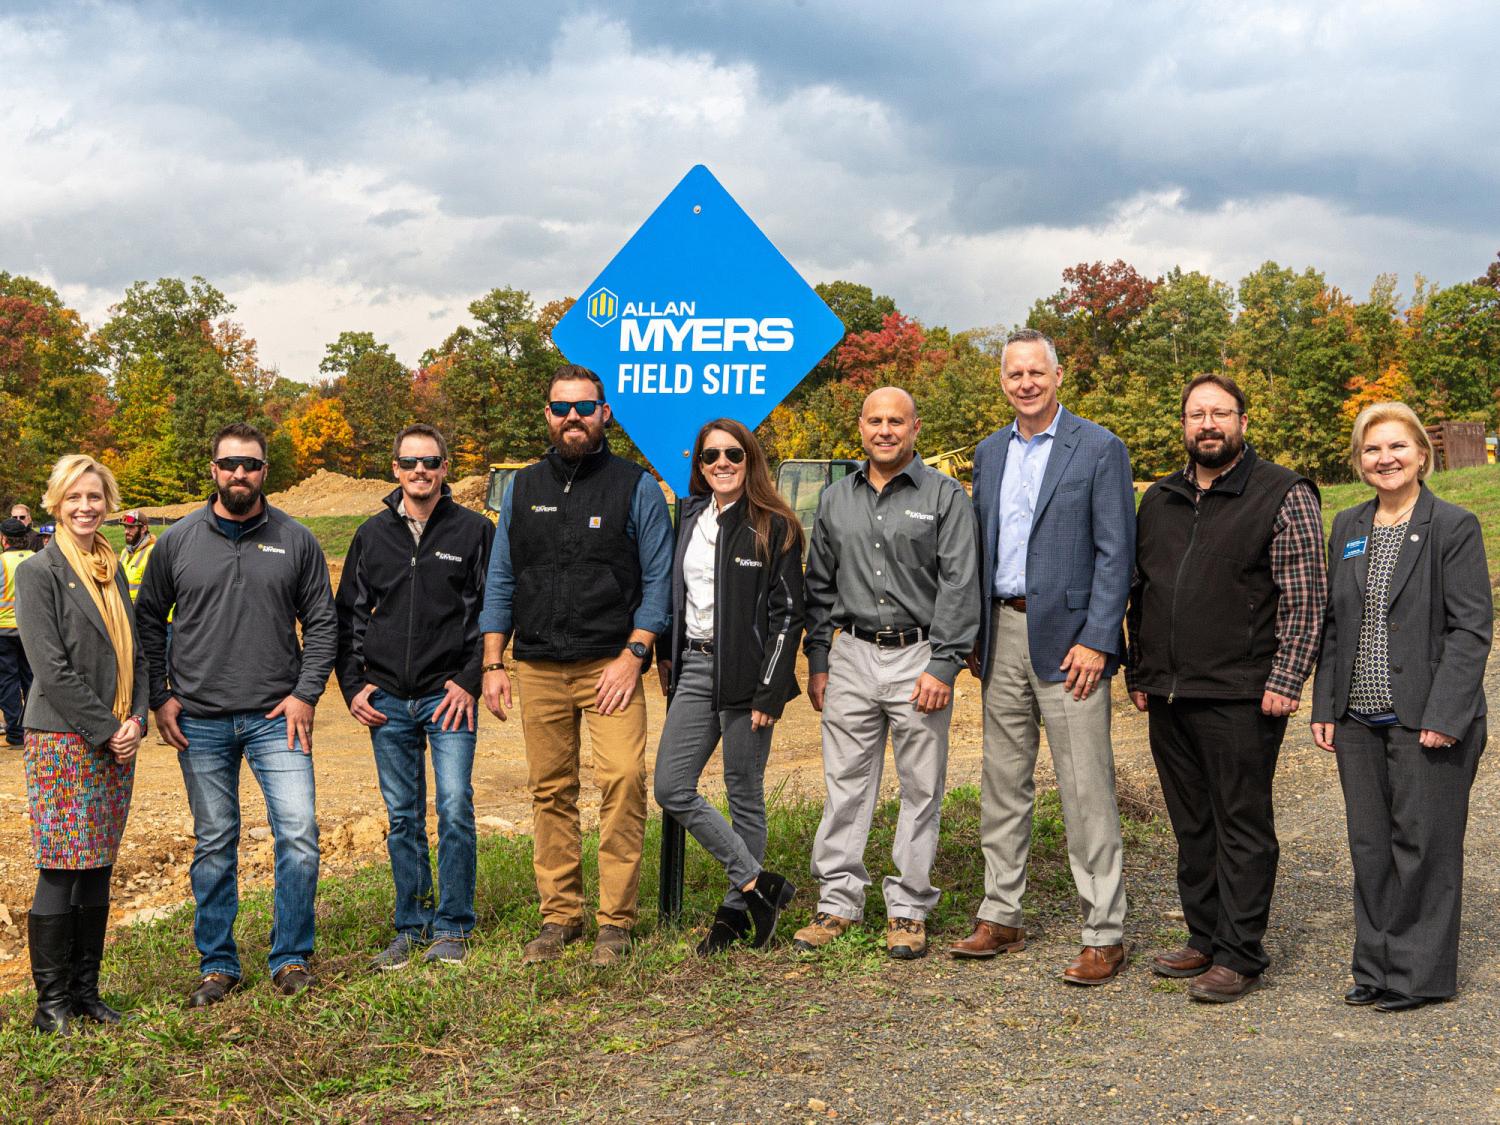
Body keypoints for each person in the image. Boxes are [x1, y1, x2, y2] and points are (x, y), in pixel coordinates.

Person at [1126, 374, 1327, 1003]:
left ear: (1242, 420)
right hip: (1168, 693)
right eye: (1196, 414)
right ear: (1183, 424)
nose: (1207, 424)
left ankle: (1241, 953)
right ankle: (1204, 936)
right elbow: (1142, 591)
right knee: (1192, 823)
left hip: (1244, 692)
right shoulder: (1159, 498)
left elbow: (1305, 595)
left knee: (1241, 822)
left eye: (1220, 413)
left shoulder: (1282, 492)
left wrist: (1287, 677)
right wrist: (1140, 671)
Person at [950, 329, 1136, 985]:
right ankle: (1001, 912)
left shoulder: (1099, 447)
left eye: (1036, 371)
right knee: (1002, 783)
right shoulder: (990, 452)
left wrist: (1100, 636)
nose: (1025, 382)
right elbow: (980, 542)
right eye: (1013, 374)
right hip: (1001, 632)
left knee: (1086, 789)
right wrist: (974, 628)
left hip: (1072, 642)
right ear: (1002, 381)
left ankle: (1103, 931)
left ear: (1058, 376)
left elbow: (1117, 552)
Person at [136, 423, 337, 1006]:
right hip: (197, 718)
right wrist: (160, 695)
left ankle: (291, 955)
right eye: (229, 464)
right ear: (214, 470)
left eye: (250, 464)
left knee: (298, 834)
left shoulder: (295, 539)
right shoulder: (177, 541)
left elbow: (322, 623)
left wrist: (305, 694)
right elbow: (148, 620)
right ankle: (217, 965)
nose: (239, 474)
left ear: (265, 471)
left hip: (278, 715)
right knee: (215, 841)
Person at [480, 365, 673, 967]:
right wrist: (493, 660)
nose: (573, 418)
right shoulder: (523, 487)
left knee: (622, 781)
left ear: (605, 414)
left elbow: (659, 581)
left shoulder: (635, 487)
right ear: (547, 414)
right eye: (562, 407)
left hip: (609, 666)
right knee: (551, 791)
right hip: (537, 665)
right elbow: (503, 578)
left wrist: (634, 653)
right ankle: (560, 916)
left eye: (585, 408)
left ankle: (615, 922)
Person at [1311, 403, 1490, 1012]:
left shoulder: (1453, 525)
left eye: (1396, 447)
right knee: (1370, 845)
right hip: (1359, 718)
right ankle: (1377, 967)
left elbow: (1470, 630)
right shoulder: (1349, 525)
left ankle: (1420, 975)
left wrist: (1447, 714)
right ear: (1359, 461)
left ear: (1421, 453)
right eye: (1371, 449)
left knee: (1425, 845)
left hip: (1427, 719)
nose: (1384, 459)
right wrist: (1326, 704)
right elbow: (1335, 624)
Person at [793, 387, 981, 960]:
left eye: (895, 421)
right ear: (861, 427)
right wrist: (820, 658)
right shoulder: (833, 500)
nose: (884, 430)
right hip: (851, 655)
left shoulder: (945, 497)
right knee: (845, 782)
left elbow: (959, 583)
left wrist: (944, 663)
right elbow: (818, 585)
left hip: (919, 656)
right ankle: (838, 901)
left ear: (915, 427)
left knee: (921, 787)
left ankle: (909, 909)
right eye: (874, 420)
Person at [336, 424, 495, 969]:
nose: (420, 471)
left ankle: (452, 926)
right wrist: (354, 686)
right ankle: (411, 925)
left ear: (446, 468)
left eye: (430, 462)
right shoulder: (371, 534)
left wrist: (470, 678)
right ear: (395, 470)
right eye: (410, 462)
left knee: (453, 808)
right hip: (388, 703)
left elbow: (492, 614)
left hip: (448, 696)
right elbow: (348, 616)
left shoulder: (475, 532)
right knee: (403, 816)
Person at [654, 418, 805, 956]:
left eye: (733, 455)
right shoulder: (692, 516)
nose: (721, 463)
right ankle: (759, 884)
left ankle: (733, 915)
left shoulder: (774, 524)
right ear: (698, 465)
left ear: (750, 461)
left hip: (747, 674)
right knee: (671, 787)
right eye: (710, 456)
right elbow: (674, 595)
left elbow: (789, 616)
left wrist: (769, 690)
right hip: (694, 670)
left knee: (744, 794)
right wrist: (663, 655)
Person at [13, 455, 147, 1033]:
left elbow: (135, 654)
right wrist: (108, 728)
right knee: (62, 867)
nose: (86, 507)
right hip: (64, 739)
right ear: (55, 504)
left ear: (108, 503)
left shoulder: (112, 568)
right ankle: (51, 1004)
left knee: (99, 867)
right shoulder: (38, 572)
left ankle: (86, 993)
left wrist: (136, 719)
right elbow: (50, 666)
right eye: (74, 498)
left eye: (95, 497)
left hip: (118, 736)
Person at [0, 517, 36, 747]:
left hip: (3, 630)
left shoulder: (1, 562)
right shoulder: (36, 559)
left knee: (7, 681)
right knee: (31, 679)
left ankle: (15, 731)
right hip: (31, 629)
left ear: (4, 539)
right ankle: (34, 728)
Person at [118, 510, 157, 602]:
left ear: (143, 529)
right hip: (125, 610)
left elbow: (160, 590)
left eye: (131, 527)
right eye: (125, 527)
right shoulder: (124, 552)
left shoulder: (153, 552)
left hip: (142, 612)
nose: (126, 531)